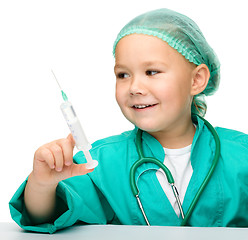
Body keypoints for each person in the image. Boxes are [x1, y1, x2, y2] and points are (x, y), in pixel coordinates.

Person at [9, 8, 248, 233]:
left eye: (152, 72)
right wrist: (42, 184)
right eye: (123, 74)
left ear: (197, 80)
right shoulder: (99, 161)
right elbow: (45, 215)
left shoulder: (241, 154)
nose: (134, 87)